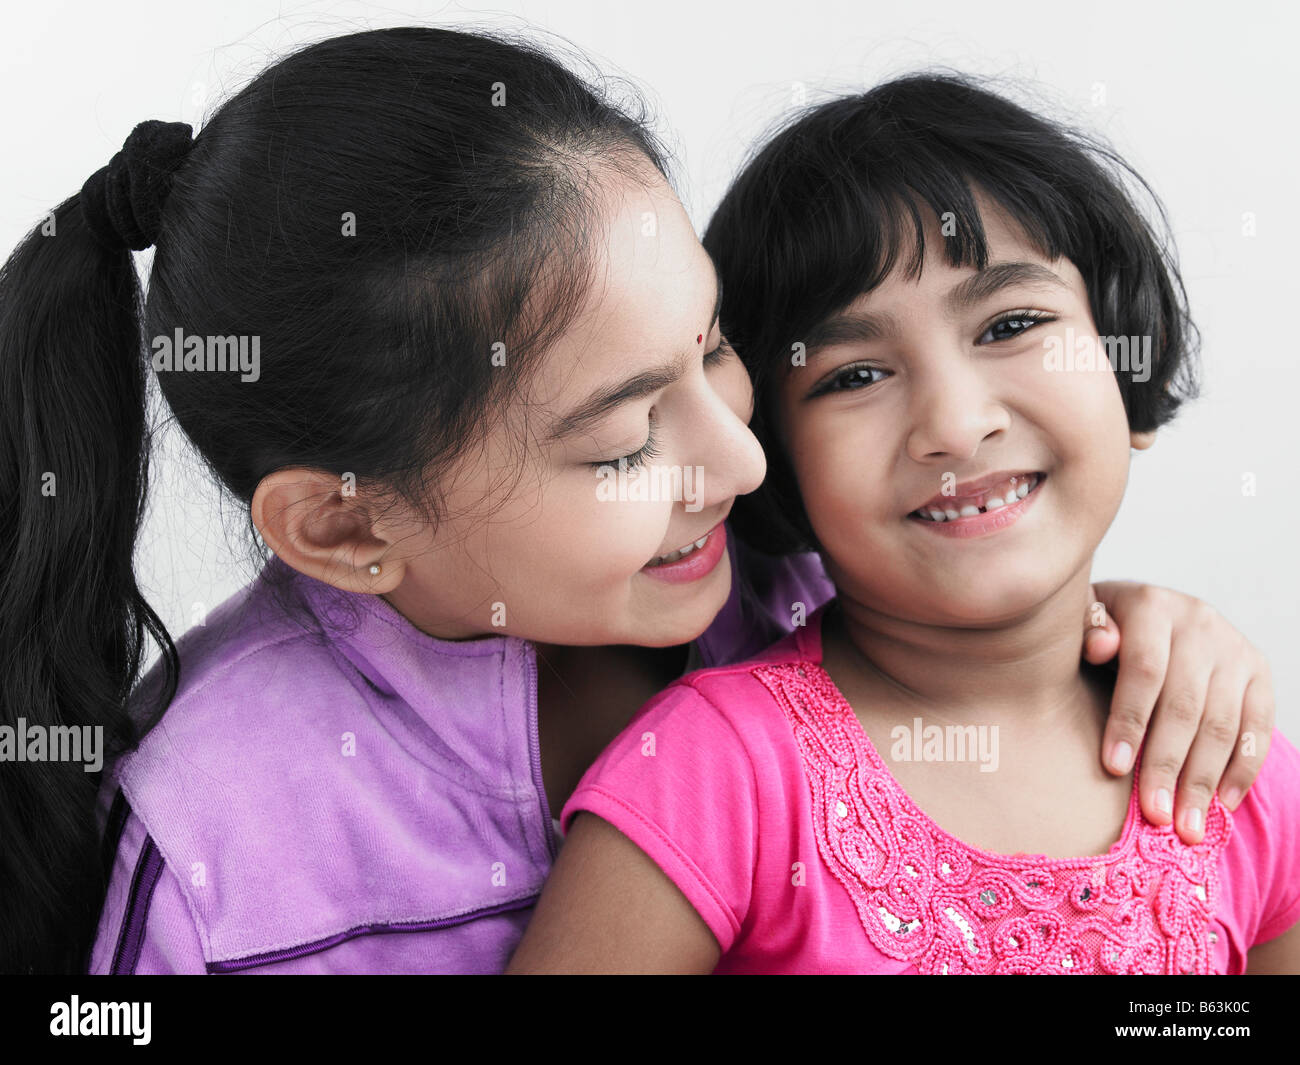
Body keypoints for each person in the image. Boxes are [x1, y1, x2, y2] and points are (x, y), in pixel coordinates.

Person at [0, 32, 1273, 975]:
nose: (744, 463)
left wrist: (1135, 629)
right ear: (348, 527)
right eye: (622, 442)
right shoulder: (222, 848)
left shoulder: (780, 585)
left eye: (713, 347)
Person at [506, 74, 1298, 975]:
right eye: (854, 376)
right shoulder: (711, 775)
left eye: (1013, 323)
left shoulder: (1240, 770)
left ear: (1120, 346)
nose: (955, 424)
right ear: (772, 453)